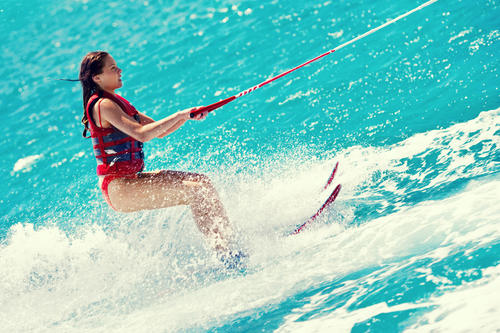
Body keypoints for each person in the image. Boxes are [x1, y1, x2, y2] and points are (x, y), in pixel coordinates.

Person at [78, 51, 244, 269]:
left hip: (129, 181)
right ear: (97, 78)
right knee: (197, 192)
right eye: (112, 68)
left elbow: (160, 131)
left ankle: (230, 247)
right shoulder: (102, 105)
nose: (119, 70)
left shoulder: (116, 102)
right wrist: (179, 115)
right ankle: (227, 257)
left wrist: (188, 115)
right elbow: (142, 134)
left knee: (202, 182)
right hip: (120, 189)